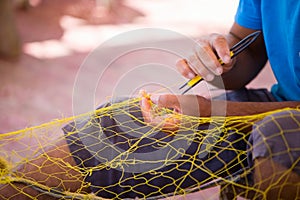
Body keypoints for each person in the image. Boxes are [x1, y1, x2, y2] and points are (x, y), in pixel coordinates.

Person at [0, 0, 299, 199]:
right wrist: (218, 56)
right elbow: (246, 46)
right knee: (125, 122)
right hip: (279, 100)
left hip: (285, 118)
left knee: (279, 136)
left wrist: (213, 112)